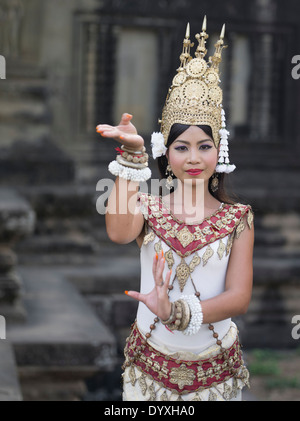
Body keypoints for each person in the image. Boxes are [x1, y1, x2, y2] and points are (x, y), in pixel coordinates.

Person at [96, 19, 254, 401]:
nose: (194, 157)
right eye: (181, 146)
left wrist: (175, 311)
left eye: (204, 145)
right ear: (165, 152)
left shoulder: (239, 218)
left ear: (221, 150)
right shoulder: (148, 207)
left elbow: (238, 298)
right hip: (149, 371)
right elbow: (118, 233)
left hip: (215, 372)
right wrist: (133, 159)